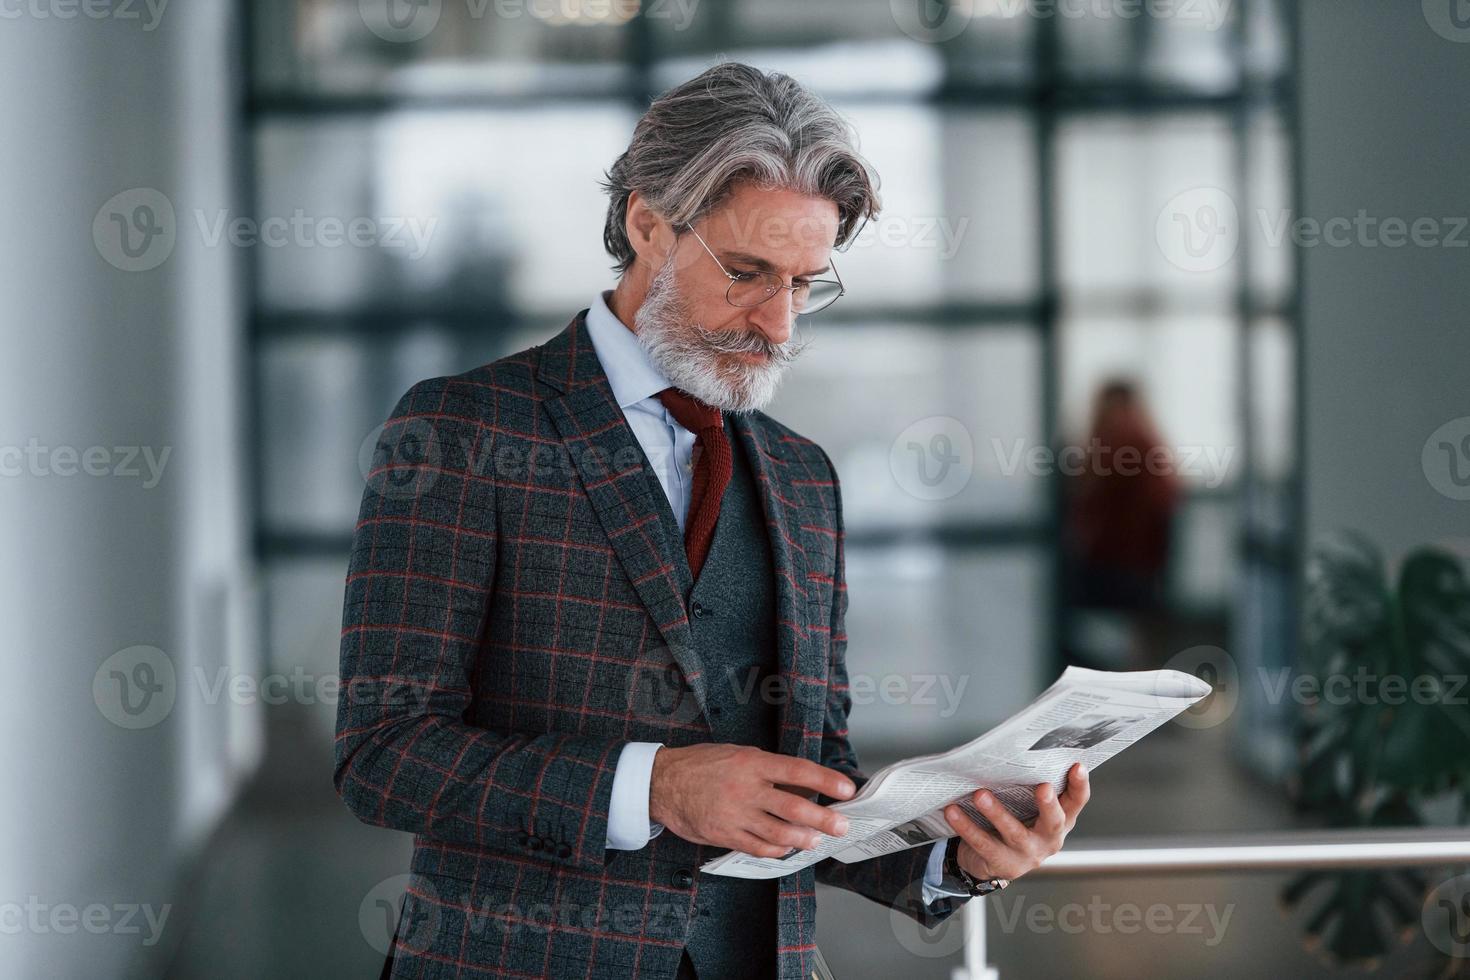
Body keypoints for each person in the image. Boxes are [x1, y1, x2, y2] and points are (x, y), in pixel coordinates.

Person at [335, 61, 1090, 980]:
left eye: (807, 284)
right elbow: (384, 752)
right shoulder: (463, 429)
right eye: (747, 272)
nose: (778, 323)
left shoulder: (804, 478)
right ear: (646, 223)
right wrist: (650, 786)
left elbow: (816, 774)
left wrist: (957, 855)